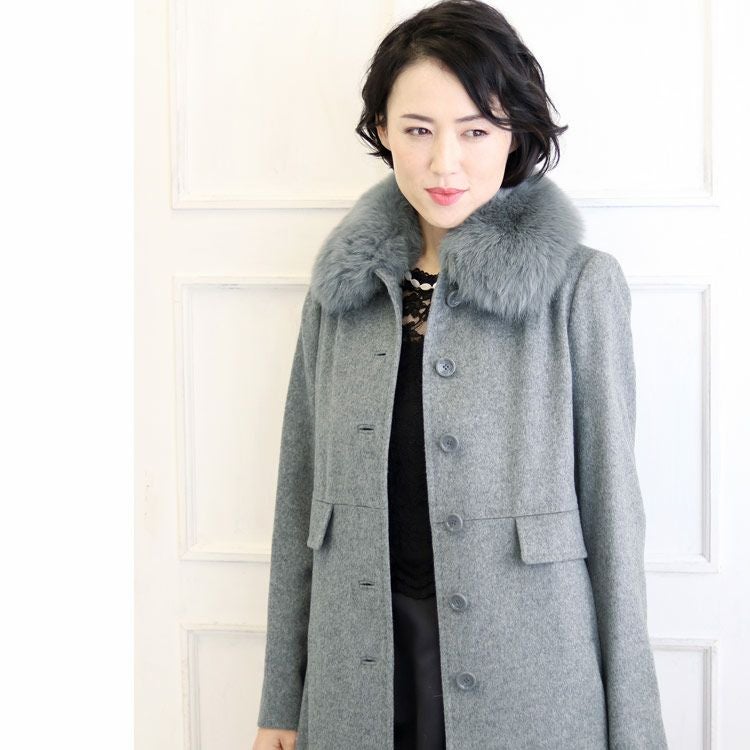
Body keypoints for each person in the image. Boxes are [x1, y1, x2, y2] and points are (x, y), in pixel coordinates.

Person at [253, 1, 669, 748]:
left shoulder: (579, 287)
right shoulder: (342, 291)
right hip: (361, 672)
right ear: (382, 130)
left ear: (515, 134)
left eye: (476, 130)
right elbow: (298, 499)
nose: (445, 163)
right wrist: (281, 703)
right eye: (418, 130)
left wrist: (636, 732)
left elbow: (613, 514)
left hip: (529, 677)